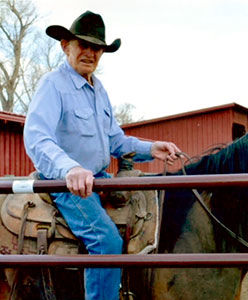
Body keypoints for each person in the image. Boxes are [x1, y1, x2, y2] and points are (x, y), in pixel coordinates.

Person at [24, 11, 181, 300]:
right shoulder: (53, 85)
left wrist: (151, 148)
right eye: (82, 44)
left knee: (153, 210)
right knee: (106, 241)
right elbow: (36, 137)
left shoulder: (99, 90)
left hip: (99, 178)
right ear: (65, 46)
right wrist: (69, 169)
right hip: (68, 186)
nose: (89, 52)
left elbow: (114, 139)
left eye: (96, 47)